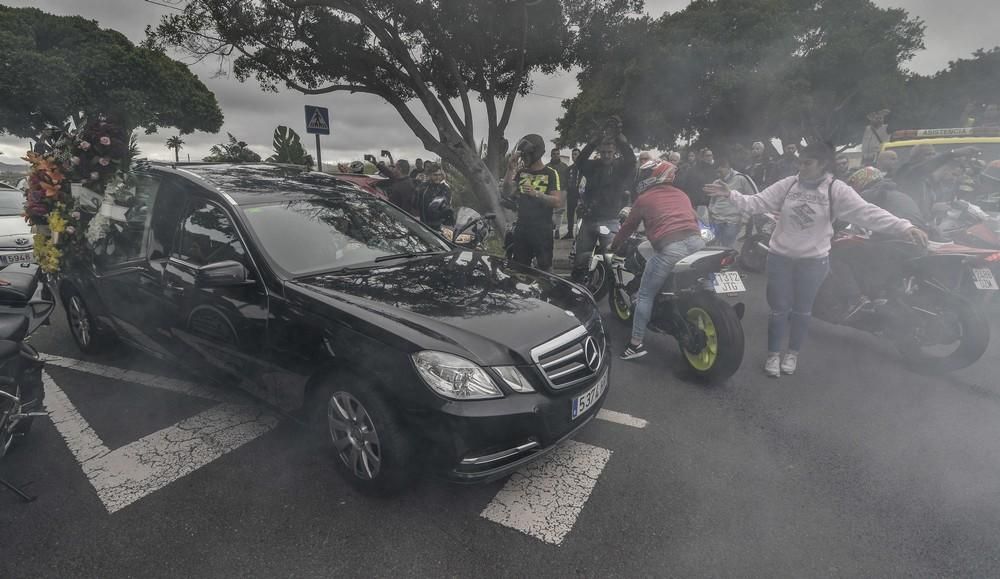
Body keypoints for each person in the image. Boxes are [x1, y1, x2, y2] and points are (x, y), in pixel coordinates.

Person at [704, 143, 928, 378]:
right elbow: (757, 202)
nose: (800, 167)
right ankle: (773, 354)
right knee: (779, 311)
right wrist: (730, 194)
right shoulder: (789, 184)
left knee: (802, 312)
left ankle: (792, 354)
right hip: (780, 258)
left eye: (807, 163)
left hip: (813, 262)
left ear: (823, 164)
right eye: (799, 162)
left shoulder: (836, 190)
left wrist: (904, 226)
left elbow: (867, 212)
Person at [611, 160, 704, 360]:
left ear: (654, 177)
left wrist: (614, 245)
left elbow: (628, 227)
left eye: (644, 175)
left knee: (645, 295)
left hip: (671, 248)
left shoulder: (644, 199)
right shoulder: (682, 195)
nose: (641, 179)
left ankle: (635, 345)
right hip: (697, 245)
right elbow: (695, 219)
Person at [572, 118, 635, 282]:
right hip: (589, 219)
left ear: (614, 151)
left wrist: (620, 137)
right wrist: (593, 142)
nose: (606, 155)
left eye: (610, 152)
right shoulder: (593, 166)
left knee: (613, 262)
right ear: (600, 151)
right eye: (604, 152)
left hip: (610, 219)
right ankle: (576, 292)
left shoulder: (620, 168)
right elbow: (579, 162)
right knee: (581, 261)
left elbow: (631, 160)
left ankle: (615, 294)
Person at [501, 134, 563, 271]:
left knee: (545, 268)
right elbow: (506, 191)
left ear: (536, 153)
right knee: (519, 269)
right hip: (522, 228)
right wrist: (510, 169)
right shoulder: (521, 172)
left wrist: (537, 194)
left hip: (542, 229)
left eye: (526, 155)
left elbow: (557, 201)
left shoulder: (550, 173)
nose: (523, 159)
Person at [709, 153, 756, 248]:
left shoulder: (741, 179)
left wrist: (745, 220)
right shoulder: (716, 182)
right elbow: (712, 201)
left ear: (727, 167)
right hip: (717, 221)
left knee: (727, 248)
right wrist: (711, 215)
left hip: (732, 222)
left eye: (720, 169)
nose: (718, 172)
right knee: (716, 248)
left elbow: (753, 198)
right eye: (716, 170)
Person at [415, 162, 454, 229]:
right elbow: (416, 204)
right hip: (424, 224)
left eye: (439, 175)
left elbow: (445, 207)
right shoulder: (423, 187)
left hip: (439, 226)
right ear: (430, 175)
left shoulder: (445, 188)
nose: (438, 177)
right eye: (435, 175)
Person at [547, 147, 570, 239]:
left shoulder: (564, 166)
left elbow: (568, 179)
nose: (556, 155)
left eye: (557, 154)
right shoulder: (547, 166)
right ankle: (550, 229)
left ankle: (557, 230)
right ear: (551, 155)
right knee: (550, 212)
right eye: (554, 154)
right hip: (550, 191)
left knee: (559, 212)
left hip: (562, 190)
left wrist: (565, 191)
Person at [563, 148, 582, 239]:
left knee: (580, 214)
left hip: (581, 195)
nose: (575, 156)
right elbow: (566, 181)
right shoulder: (569, 169)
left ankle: (580, 233)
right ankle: (570, 232)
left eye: (577, 154)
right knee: (570, 214)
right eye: (573, 154)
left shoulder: (584, 167)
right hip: (571, 194)